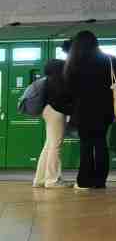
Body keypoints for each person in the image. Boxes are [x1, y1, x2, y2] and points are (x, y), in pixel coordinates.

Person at [64, 31, 116, 190]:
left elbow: (69, 88)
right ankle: (100, 181)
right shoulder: (109, 60)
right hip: (104, 110)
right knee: (101, 143)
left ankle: (84, 180)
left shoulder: (73, 62)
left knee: (85, 145)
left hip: (82, 110)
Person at [33, 59, 72, 188]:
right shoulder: (58, 82)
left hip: (47, 111)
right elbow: (62, 101)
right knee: (55, 146)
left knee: (49, 145)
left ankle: (40, 179)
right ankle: (52, 180)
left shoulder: (47, 81)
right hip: (56, 113)